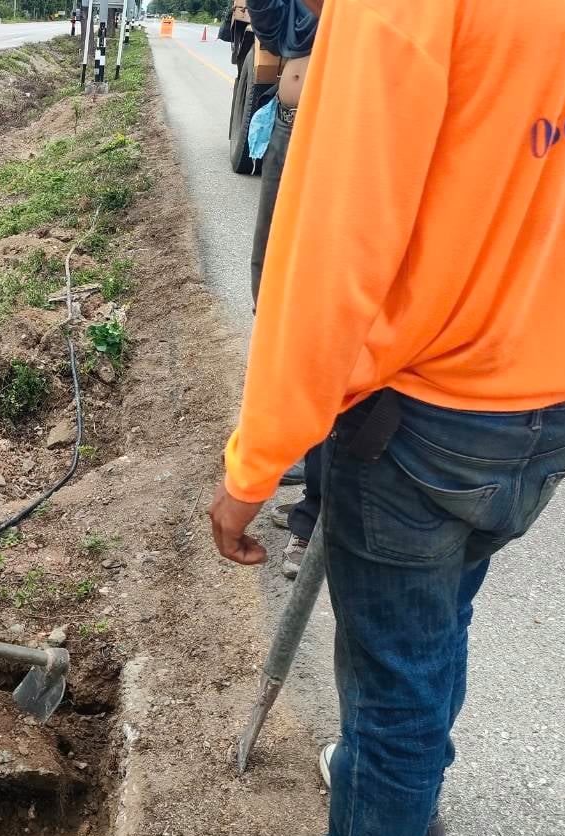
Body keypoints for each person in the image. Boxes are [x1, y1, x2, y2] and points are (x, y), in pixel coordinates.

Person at [205, 0, 565, 836]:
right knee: (437, 620)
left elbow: (330, 252)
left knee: (394, 676)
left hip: (429, 410)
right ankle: (403, 799)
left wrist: (255, 463)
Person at [245, 0, 320, 579]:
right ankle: (299, 444)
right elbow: (272, 30)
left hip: (337, 132)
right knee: (270, 287)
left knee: (316, 310)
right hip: (289, 129)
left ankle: (317, 509)